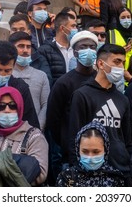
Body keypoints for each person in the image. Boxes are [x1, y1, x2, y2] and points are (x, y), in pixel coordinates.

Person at [68, 43, 132, 185]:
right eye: (116, 62)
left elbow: (126, 139)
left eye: (123, 62)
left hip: (120, 170)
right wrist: (78, 171)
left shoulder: (123, 99)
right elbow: (74, 136)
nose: (121, 67)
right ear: (101, 64)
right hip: (90, 171)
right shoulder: (82, 95)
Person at [46, 30, 98, 176]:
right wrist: (66, 141)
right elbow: (53, 119)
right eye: (83, 47)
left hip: (99, 150)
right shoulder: (63, 83)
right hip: (71, 154)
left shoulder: (101, 79)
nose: (88, 50)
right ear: (74, 53)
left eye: (92, 47)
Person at [0, 86, 48, 186]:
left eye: (12, 106)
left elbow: (41, 174)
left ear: (20, 108)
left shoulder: (34, 136)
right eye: (1, 106)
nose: (7, 110)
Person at [56, 120, 125, 187]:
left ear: (105, 150)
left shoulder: (116, 179)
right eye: (85, 151)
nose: (90, 157)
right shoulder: (67, 177)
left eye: (96, 152)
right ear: (78, 150)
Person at [0, 40, 39, 128]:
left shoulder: (20, 88)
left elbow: (31, 120)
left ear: (13, 67)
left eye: (7, 70)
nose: (2, 74)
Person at [9, 32, 50, 131]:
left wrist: (37, 128)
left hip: (35, 132)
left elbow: (46, 104)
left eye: (28, 47)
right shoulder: (6, 75)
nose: (25, 50)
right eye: (21, 46)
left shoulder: (41, 76)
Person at [38, 12, 78, 87]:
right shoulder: (45, 51)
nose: (76, 29)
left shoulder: (77, 49)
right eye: (73, 26)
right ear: (62, 28)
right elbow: (46, 79)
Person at [106, 7, 132, 83]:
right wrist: (120, 51)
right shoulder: (111, 34)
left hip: (131, 78)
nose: (126, 20)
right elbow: (105, 53)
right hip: (114, 76)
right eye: (123, 17)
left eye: (128, 17)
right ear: (118, 19)